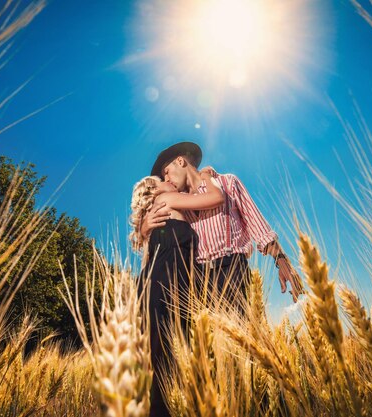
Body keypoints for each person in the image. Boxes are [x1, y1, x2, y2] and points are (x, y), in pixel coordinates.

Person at [141, 142, 303, 308]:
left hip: (232, 272)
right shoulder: (176, 203)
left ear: (180, 161)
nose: (166, 179)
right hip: (196, 285)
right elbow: (159, 242)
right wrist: (145, 227)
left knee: (243, 331)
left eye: (166, 172)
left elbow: (258, 226)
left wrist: (282, 261)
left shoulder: (227, 183)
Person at [129, 170, 224, 417]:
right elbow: (215, 198)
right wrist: (204, 177)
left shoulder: (166, 207)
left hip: (168, 284)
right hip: (165, 285)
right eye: (164, 183)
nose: (170, 182)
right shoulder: (168, 201)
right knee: (166, 361)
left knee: (165, 362)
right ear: (154, 193)